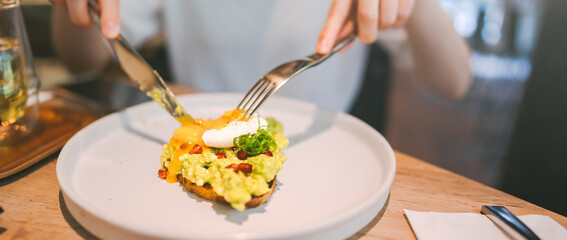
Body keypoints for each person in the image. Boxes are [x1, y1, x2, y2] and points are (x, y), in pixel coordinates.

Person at [50, 0, 471, 112]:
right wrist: (73, 12)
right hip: (195, 137)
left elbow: (454, 81)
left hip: (323, 165)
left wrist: (418, 5)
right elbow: (79, 60)